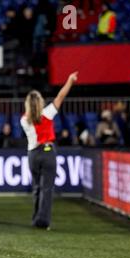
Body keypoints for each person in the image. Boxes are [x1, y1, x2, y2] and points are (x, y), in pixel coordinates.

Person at [20, 71, 78, 230]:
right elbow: (60, 97)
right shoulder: (47, 113)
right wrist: (70, 81)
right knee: (46, 189)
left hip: (32, 154)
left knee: (36, 188)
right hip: (47, 153)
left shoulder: (24, 120)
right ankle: (42, 221)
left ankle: (35, 218)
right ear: (40, 103)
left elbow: (31, 116)